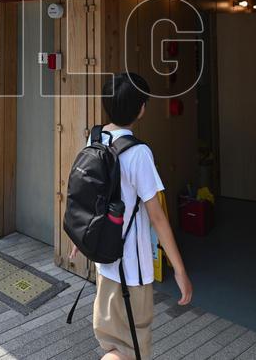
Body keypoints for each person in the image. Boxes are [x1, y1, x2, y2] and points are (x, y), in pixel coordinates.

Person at [71, 72, 193, 360]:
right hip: (132, 271)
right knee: (130, 352)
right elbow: (157, 218)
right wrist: (180, 270)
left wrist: (80, 237)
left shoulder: (96, 138)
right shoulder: (139, 154)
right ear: (141, 109)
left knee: (113, 345)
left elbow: (88, 195)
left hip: (105, 264)